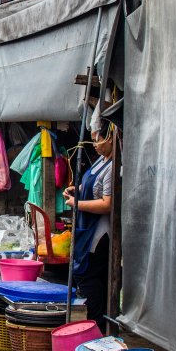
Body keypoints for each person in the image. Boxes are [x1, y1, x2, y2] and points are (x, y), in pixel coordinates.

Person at [63, 126, 113, 333]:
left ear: (110, 138)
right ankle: (96, 323)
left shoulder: (114, 166)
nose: (94, 145)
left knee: (89, 275)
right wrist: (77, 189)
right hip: (87, 225)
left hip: (100, 230)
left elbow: (107, 203)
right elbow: (90, 186)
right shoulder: (102, 161)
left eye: (97, 140)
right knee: (87, 274)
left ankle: (98, 325)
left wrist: (77, 203)